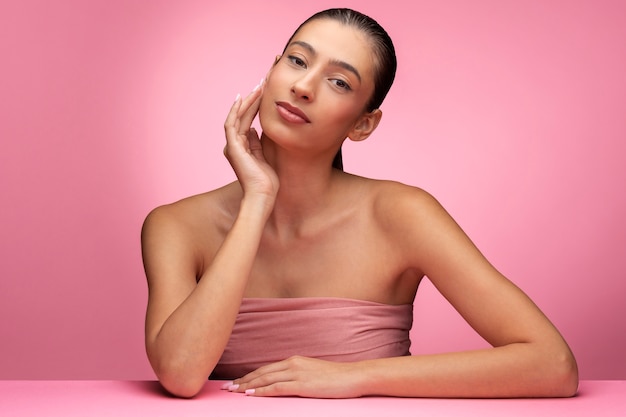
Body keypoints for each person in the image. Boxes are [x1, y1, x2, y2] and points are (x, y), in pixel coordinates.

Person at [141, 8, 578, 399]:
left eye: (338, 81)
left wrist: (354, 378)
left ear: (363, 124)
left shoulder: (401, 214)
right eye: (296, 60)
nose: (304, 86)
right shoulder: (176, 225)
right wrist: (258, 199)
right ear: (272, 70)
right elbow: (180, 374)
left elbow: (552, 366)